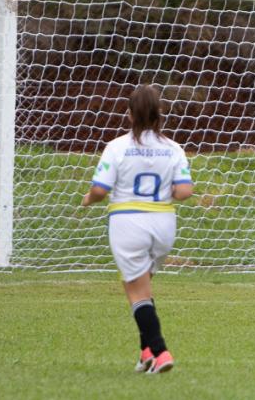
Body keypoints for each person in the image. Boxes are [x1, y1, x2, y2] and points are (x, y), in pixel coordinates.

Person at [81, 84, 193, 374]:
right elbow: (183, 192)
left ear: (129, 115)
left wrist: (88, 199)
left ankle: (161, 351)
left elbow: (100, 189)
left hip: (128, 221)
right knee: (141, 285)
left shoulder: (117, 147)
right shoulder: (173, 149)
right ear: (160, 114)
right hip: (164, 224)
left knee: (137, 292)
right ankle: (146, 352)